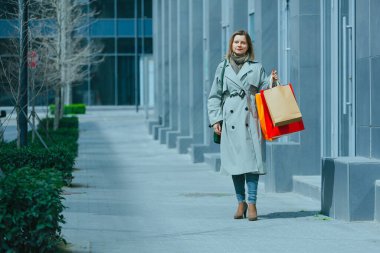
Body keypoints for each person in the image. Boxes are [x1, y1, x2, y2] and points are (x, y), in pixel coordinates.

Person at [207, 30, 278, 221]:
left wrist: (272, 81)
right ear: (231, 45)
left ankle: (252, 203)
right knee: (235, 163)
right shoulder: (222, 67)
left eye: (243, 43)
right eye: (236, 42)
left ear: (248, 46)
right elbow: (214, 96)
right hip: (230, 120)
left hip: (250, 118)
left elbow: (265, 89)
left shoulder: (256, 67)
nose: (239, 45)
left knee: (252, 163)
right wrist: (216, 120)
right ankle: (241, 202)